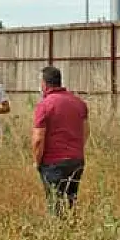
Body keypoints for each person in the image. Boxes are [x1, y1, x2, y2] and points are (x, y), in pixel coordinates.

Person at [31, 66, 88, 217]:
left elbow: (38, 139)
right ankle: (72, 231)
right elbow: (85, 132)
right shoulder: (79, 103)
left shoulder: (44, 105)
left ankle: (58, 234)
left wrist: (37, 161)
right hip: (76, 160)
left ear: (44, 84)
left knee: (55, 203)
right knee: (71, 200)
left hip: (53, 163)